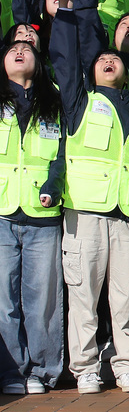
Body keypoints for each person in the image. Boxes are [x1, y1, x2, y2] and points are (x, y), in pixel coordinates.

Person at [50, 0, 129, 394]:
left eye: (116, 60)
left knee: (126, 297)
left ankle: (128, 363)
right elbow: (69, 58)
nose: (109, 60)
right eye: (101, 60)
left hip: (128, 215)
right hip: (85, 212)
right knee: (83, 296)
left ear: (127, 72)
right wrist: (69, 5)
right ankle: (85, 366)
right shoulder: (79, 101)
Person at [0, 32, 66, 396]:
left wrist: (53, 187)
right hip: (2, 213)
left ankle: (42, 371)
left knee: (42, 299)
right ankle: (10, 370)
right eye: (13, 49)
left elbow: (61, 157)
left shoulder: (53, 102)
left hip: (42, 218)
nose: (21, 50)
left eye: (26, 48)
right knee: (3, 301)